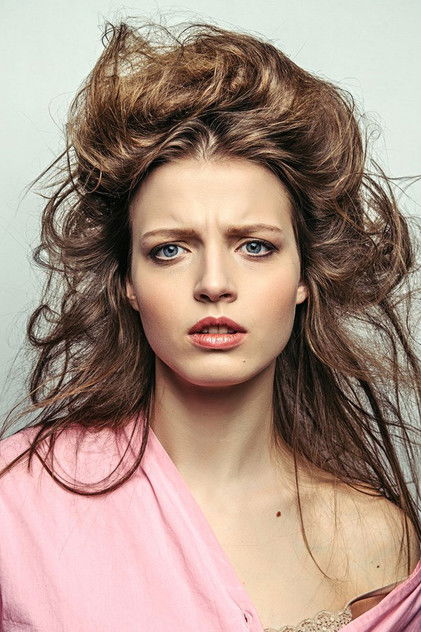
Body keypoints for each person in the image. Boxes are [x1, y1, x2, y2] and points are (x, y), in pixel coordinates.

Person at [0, 18, 420, 632]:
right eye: (170, 250)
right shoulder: (17, 505)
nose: (214, 283)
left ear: (305, 275)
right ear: (128, 282)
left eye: (255, 246)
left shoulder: (378, 537)